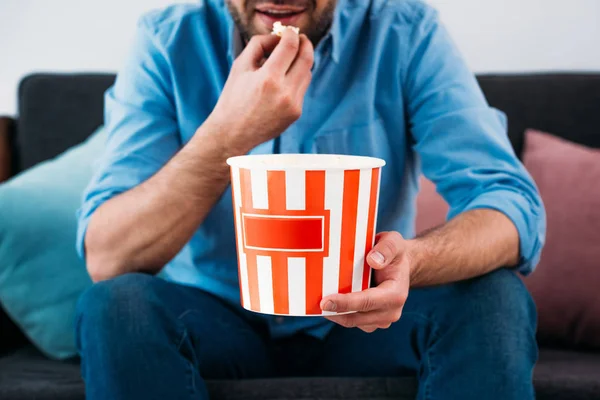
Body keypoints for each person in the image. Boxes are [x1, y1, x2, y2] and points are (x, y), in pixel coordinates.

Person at [75, 0, 546, 399]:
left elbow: (508, 203)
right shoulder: (167, 39)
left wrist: (412, 261)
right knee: (116, 304)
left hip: (365, 321)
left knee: (494, 295)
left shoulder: (404, 30)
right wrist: (226, 137)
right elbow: (108, 255)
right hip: (215, 320)